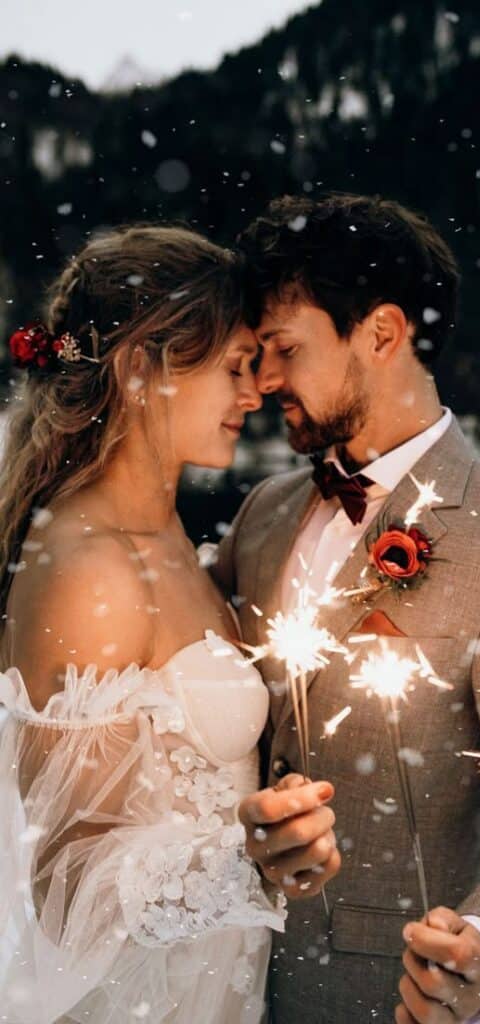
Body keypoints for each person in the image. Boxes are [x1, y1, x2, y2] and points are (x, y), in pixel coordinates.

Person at [215, 193, 480, 1023]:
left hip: (383, 999)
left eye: (283, 349)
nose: (264, 380)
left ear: (384, 333)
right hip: (215, 973)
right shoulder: (263, 514)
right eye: (256, 355)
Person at [0, 225, 334, 1023]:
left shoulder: (170, 534)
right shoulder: (92, 568)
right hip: (133, 999)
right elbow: (66, 876)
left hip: (217, 976)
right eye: (232, 368)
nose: (253, 394)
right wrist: (241, 864)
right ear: (139, 367)